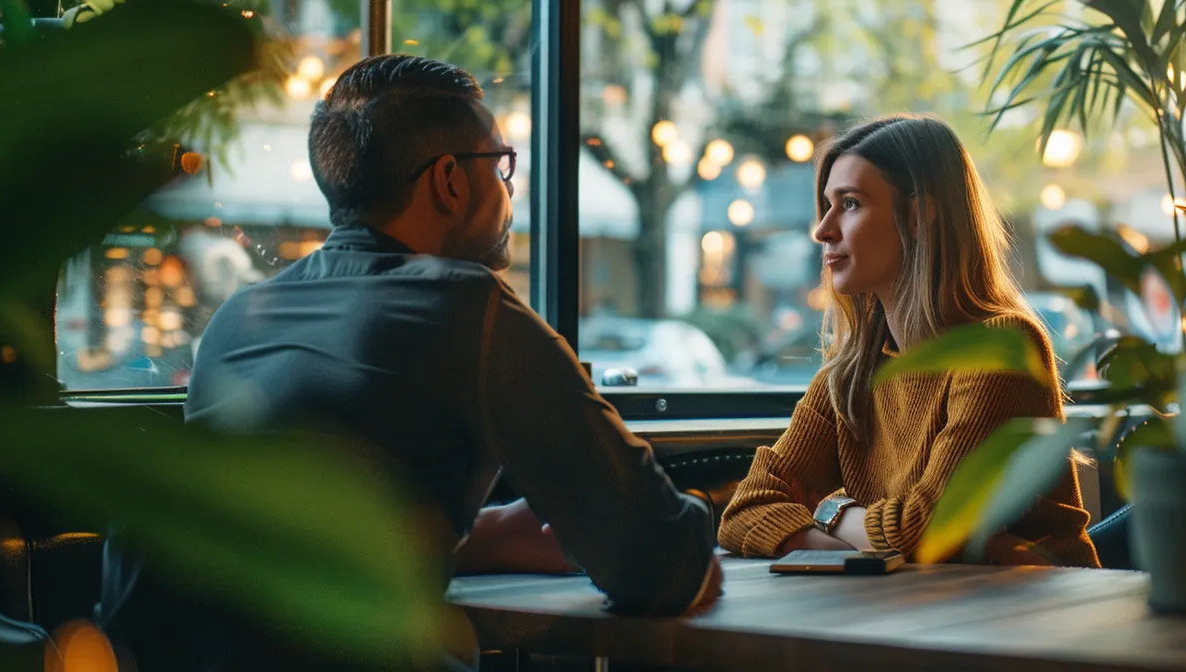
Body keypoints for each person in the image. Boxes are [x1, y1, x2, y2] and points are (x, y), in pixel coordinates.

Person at [97, 55, 721, 671]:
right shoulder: (462, 304)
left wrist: (471, 541)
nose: (509, 187)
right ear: (449, 181)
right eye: (501, 164)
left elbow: (266, 548)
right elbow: (659, 565)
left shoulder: (235, 320)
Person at [717, 115, 1098, 567]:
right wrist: (860, 544)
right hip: (925, 611)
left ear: (919, 217)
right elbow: (742, 511)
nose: (823, 230)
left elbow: (924, 528)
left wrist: (828, 511)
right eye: (827, 206)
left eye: (851, 204)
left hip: (1042, 620)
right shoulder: (851, 373)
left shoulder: (1000, 348)